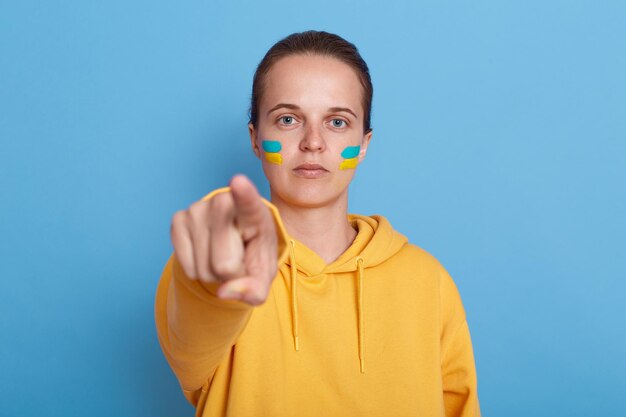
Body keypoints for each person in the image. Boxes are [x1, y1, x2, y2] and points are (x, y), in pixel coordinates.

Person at [155, 30, 481, 417]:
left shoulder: (430, 282)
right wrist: (216, 267)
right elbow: (196, 317)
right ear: (255, 138)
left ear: (363, 144)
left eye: (338, 122)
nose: (313, 142)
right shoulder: (220, 266)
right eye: (288, 119)